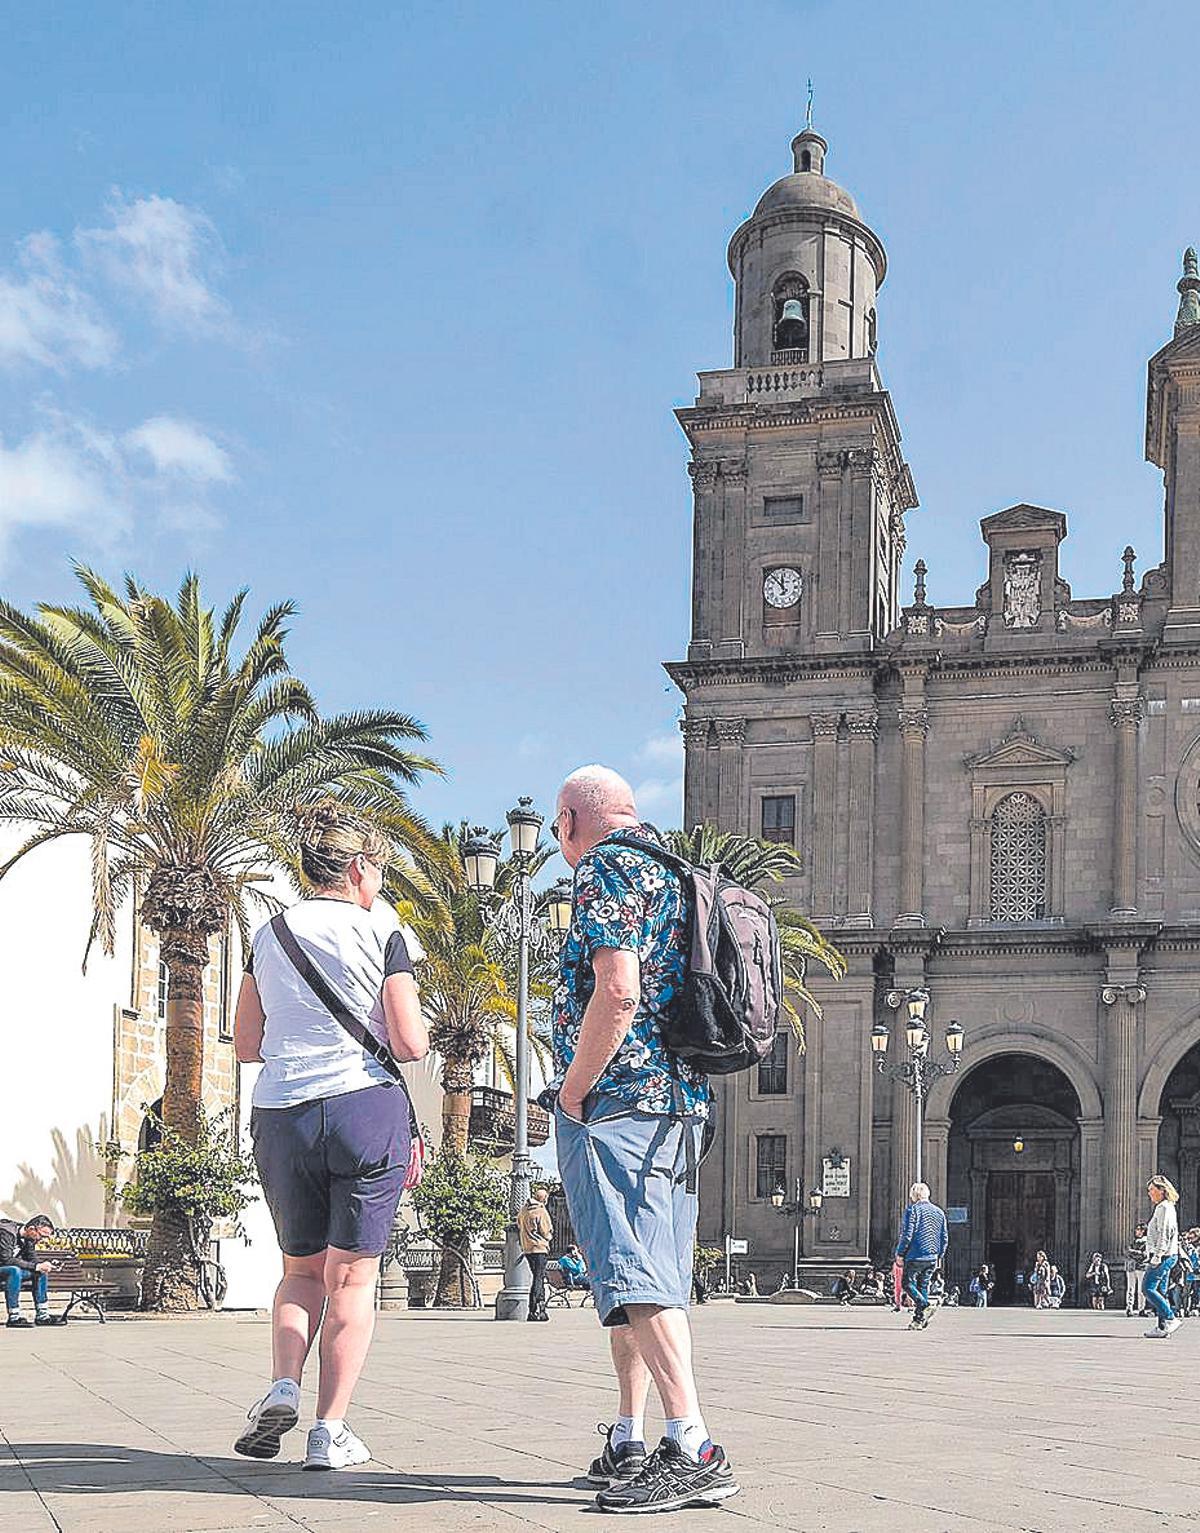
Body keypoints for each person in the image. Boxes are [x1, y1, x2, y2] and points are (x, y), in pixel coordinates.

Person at [549, 765, 739, 1514]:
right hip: (679, 1102)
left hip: (621, 1101)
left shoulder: (604, 866)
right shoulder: (671, 869)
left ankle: (693, 1446)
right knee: (646, 1275)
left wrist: (572, 1087)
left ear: (568, 820)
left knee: (633, 1271)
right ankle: (633, 1435)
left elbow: (618, 987)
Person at [232, 802, 429, 1468]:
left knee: (299, 1272)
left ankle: (283, 1381)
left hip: (282, 1112)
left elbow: (248, 1043)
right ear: (356, 866)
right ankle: (329, 1429)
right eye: (378, 867)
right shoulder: (384, 931)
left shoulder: (269, 932)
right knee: (352, 1280)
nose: (380, 881)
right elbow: (409, 1041)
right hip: (362, 1110)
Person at [894, 1182, 948, 1332]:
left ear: (914, 1195)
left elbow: (907, 1235)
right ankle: (919, 1320)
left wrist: (900, 1253)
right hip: (932, 1257)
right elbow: (944, 1237)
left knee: (907, 1283)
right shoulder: (939, 1212)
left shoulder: (913, 1210)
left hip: (915, 1255)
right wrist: (939, 1255)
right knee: (923, 1286)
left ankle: (925, 1305)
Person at [0, 1215, 65, 1327]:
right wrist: (36, 1266)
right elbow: (6, 1259)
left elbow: (32, 1258)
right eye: (41, 1236)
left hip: (7, 1272)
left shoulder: (29, 1238)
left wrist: (43, 1265)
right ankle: (14, 1317)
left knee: (40, 1272)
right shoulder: (6, 1232)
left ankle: (42, 1315)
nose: (41, 1240)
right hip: (5, 1268)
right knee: (14, 1270)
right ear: (31, 1229)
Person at [1142, 1174, 1182, 1339]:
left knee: (1147, 1288)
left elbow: (1165, 1233)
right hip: (1165, 1254)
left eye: (1152, 1189)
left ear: (1161, 1190)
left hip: (1164, 1255)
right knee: (1160, 1291)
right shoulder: (1164, 1207)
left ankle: (1171, 1318)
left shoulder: (1164, 1207)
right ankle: (1162, 1326)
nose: (1149, 1193)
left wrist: (1157, 1256)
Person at [516, 1187, 553, 1321]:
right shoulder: (541, 1211)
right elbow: (545, 1230)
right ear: (543, 1199)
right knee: (538, 1278)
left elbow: (518, 1224)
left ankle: (538, 1309)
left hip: (527, 1248)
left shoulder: (524, 1210)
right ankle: (534, 1309)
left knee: (537, 1277)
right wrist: (548, 1237)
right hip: (539, 1248)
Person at [1124, 1223, 1149, 1317]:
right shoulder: (1133, 1241)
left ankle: (1141, 1309)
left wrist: (1132, 1252)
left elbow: (1144, 1255)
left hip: (1141, 1267)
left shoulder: (1146, 1242)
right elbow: (1126, 1252)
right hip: (1131, 1267)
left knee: (1141, 1290)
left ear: (1143, 1231)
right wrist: (1134, 1253)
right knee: (1130, 1288)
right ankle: (1129, 1308)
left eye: (1139, 1229)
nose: (1136, 1231)